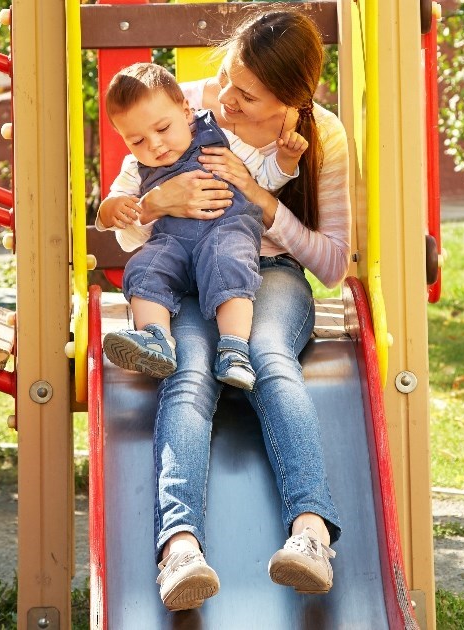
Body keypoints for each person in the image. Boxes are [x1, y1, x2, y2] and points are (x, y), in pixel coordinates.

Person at [97, 10, 350, 612]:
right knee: (185, 371)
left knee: (267, 356)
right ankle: (179, 547)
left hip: (273, 275)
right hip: (188, 275)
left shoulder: (323, 139)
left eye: (247, 93)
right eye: (227, 79)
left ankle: (312, 534)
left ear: (291, 99)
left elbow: (334, 264)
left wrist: (263, 202)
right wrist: (158, 201)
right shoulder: (176, 107)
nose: (225, 98)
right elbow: (128, 225)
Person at [97, 62, 308, 392]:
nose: (154, 145)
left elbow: (264, 176)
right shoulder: (135, 169)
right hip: (173, 242)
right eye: (137, 140)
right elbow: (116, 202)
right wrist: (112, 209)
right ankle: (156, 339)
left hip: (226, 228)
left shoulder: (221, 140)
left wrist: (286, 161)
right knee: (144, 268)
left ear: (185, 111)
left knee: (228, 260)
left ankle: (234, 349)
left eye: (163, 128)